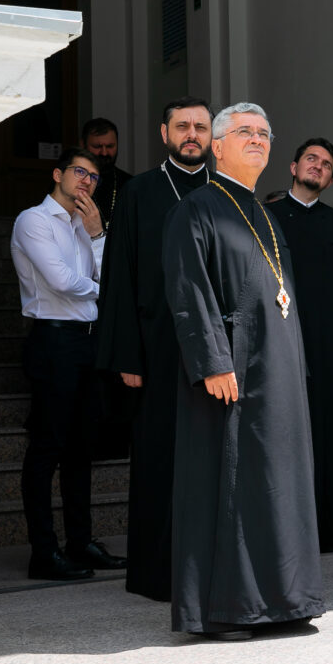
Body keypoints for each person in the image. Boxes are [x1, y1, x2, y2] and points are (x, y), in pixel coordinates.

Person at [162, 102, 325, 639]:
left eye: (264, 133)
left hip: (275, 372)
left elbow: (284, 300)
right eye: (244, 132)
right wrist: (212, 359)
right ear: (218, 145)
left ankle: (284, 599)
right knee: (230, 486)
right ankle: (228, 608)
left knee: (277, 486)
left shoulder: (269, 216)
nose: (257, 139)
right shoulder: (197, 209)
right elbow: (189, 290)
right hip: (230, 370)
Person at [95, 96, 213, 601]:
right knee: (159, 459)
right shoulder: (139, 192)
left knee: (210, 460)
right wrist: (126, 355)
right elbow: (118, 274)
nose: (192, 135)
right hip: (156, 348)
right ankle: (155, 573)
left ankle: (210, 568)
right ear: (164, 134)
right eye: (182, 126)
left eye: (201, 127)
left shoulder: (226, 191)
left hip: (217, 352)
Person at [10, 147, 127, 580]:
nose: (86, 182)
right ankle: (44, 552)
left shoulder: (85, 225)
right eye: (80, 171)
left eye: (94, 177)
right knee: (47, 448)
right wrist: (103, 288)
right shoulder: (33, 221)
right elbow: (63, 281)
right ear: (58, 174)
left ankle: (80, 543)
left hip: (86, 343)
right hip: (52, 341)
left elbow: (106, 274)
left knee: (81, 451)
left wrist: (98, 236)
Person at [268, 137, 333, 552]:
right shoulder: (267, 217)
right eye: (311, 159)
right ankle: (288, 530)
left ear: (329, 180)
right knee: (288, 435)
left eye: (327, 165)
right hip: (284, 344)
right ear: (293, 167)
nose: (319, 167)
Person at [81, 118, 133, 228]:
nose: (104, 153)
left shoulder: (130, 184)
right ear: (83, 145)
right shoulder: (72, 182)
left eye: (110, 146)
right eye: (97, 146)